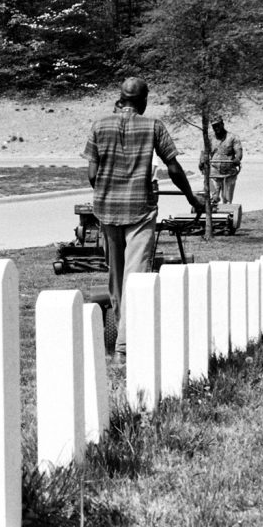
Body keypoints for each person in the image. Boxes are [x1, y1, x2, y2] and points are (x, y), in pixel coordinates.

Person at [83, 78, 205, 356]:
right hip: (140, 209)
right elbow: (173, 168)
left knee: (116, 275)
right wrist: (190, 197)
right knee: (135, 274)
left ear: (120, 98)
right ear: (144, 100)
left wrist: (107, 191)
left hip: (107, 209)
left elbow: (92, 173)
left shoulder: (99, 125)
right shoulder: (153, 126)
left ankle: (121, 335)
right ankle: (125, 345)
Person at [198, 117, 243, 204]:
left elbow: (239, 151)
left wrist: (237, 158)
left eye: (218, 125)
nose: (216, 128)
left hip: (229, 171)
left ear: (222, 124)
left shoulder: (233, 138)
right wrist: (202, 161)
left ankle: (227, 210)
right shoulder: (209, 138)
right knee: (213, 197)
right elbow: (204, 152)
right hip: (214, 171)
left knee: (227, 199)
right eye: (214, 126)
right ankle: (213, 209)